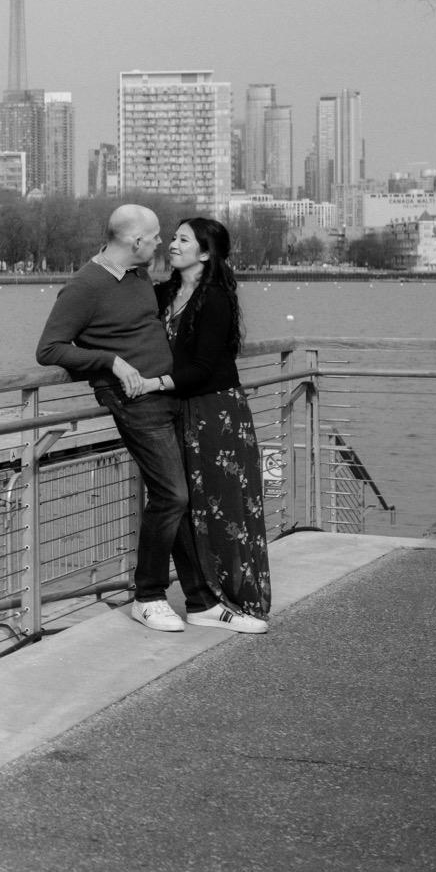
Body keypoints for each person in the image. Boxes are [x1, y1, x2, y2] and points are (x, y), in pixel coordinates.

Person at [36, 204, 217, 633]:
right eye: (155, 237)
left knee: (181, 497)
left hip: (166, 394)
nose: (162, 243)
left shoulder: (137, 276)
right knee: (172, 495)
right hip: (133, 401)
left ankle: (200, 600)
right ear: (136, 242)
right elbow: (49, 349)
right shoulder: (86, 285)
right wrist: (110, 362)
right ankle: (149, 596)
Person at [150, 218, 271, 633]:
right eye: (172, 237)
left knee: (224, 505)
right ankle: (202, 598)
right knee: (186, 504)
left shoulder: (214, 298)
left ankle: (232, 598)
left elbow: (202, 367)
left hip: (216, 412)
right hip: (178, 411)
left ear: (204, 253)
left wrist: (153, 383)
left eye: (182, 239)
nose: (172, 244)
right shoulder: (164, 292)